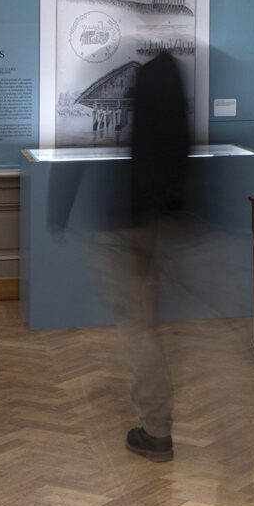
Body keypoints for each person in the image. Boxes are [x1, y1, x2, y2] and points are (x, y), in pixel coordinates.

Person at [47, 52, 191, 462]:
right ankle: (157, 419)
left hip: (125, 228)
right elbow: (175, 152)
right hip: (150, 225)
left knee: (138, 328)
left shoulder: (139, 75)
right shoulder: (162, 73)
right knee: (146, 326)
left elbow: (75, 150)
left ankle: (157, 429)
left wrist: (58, 211)